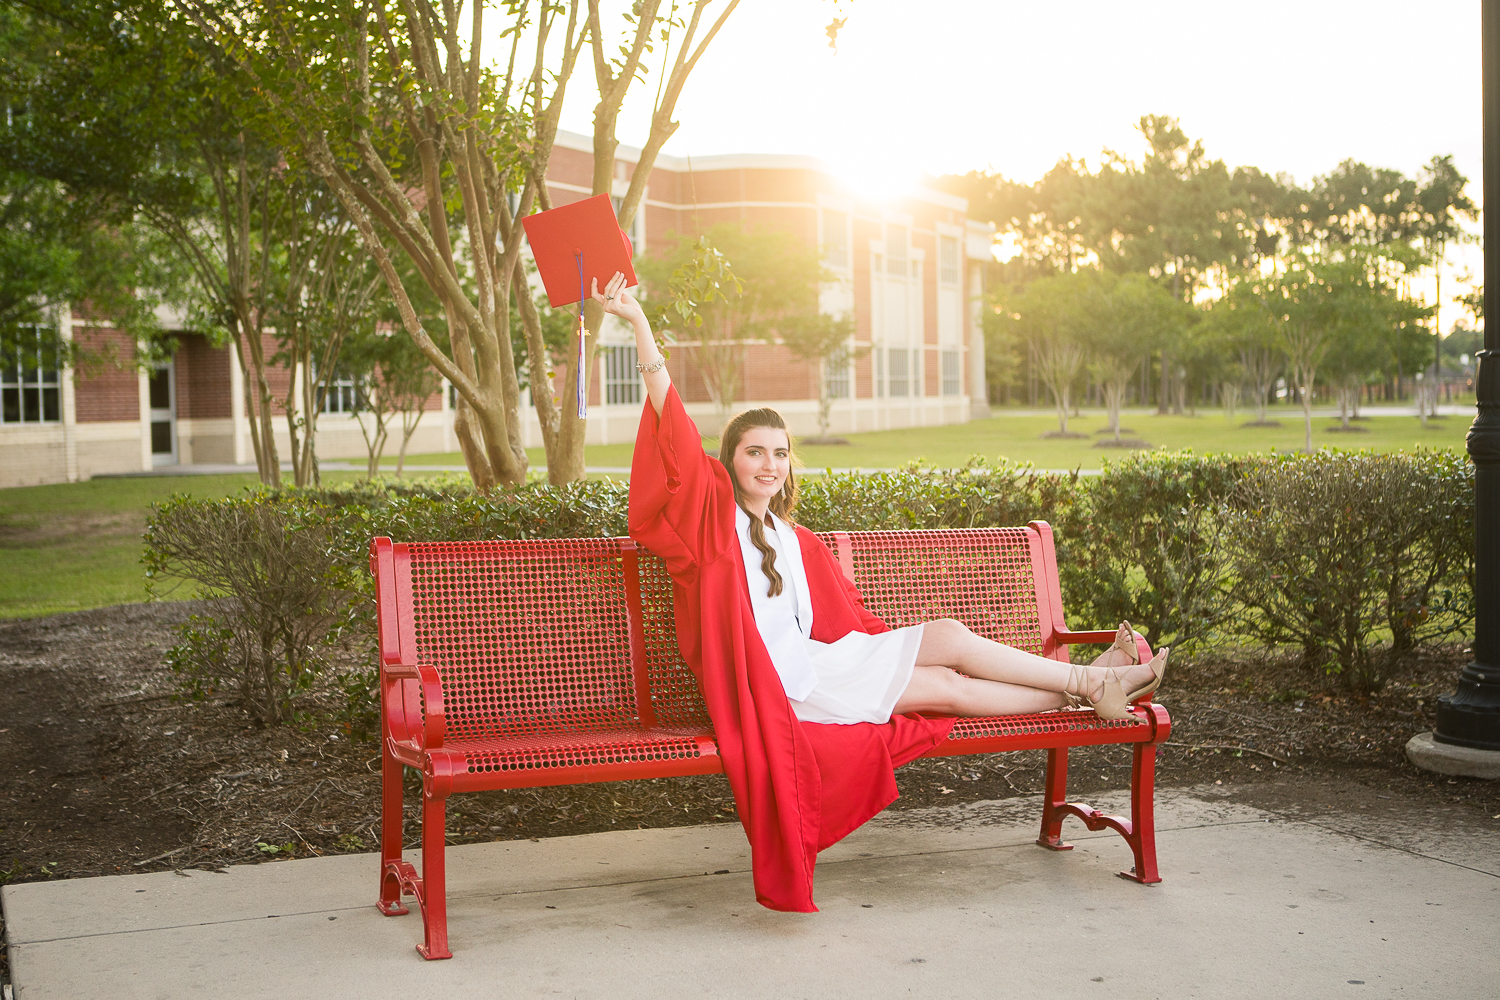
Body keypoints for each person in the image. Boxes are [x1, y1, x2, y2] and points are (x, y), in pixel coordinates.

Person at [594, 270, 1166, 912]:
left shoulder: (790, 535)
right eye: (753, 452)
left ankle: (1091, 685)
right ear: (727, 463)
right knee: (950, 688)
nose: (768, 465)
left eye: (779, 453)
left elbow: (837, 620)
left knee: (948, 639)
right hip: (785, 689)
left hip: (821, 663)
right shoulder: (710, 525)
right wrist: (639, 324)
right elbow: (671, 427)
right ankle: (1092, 685)